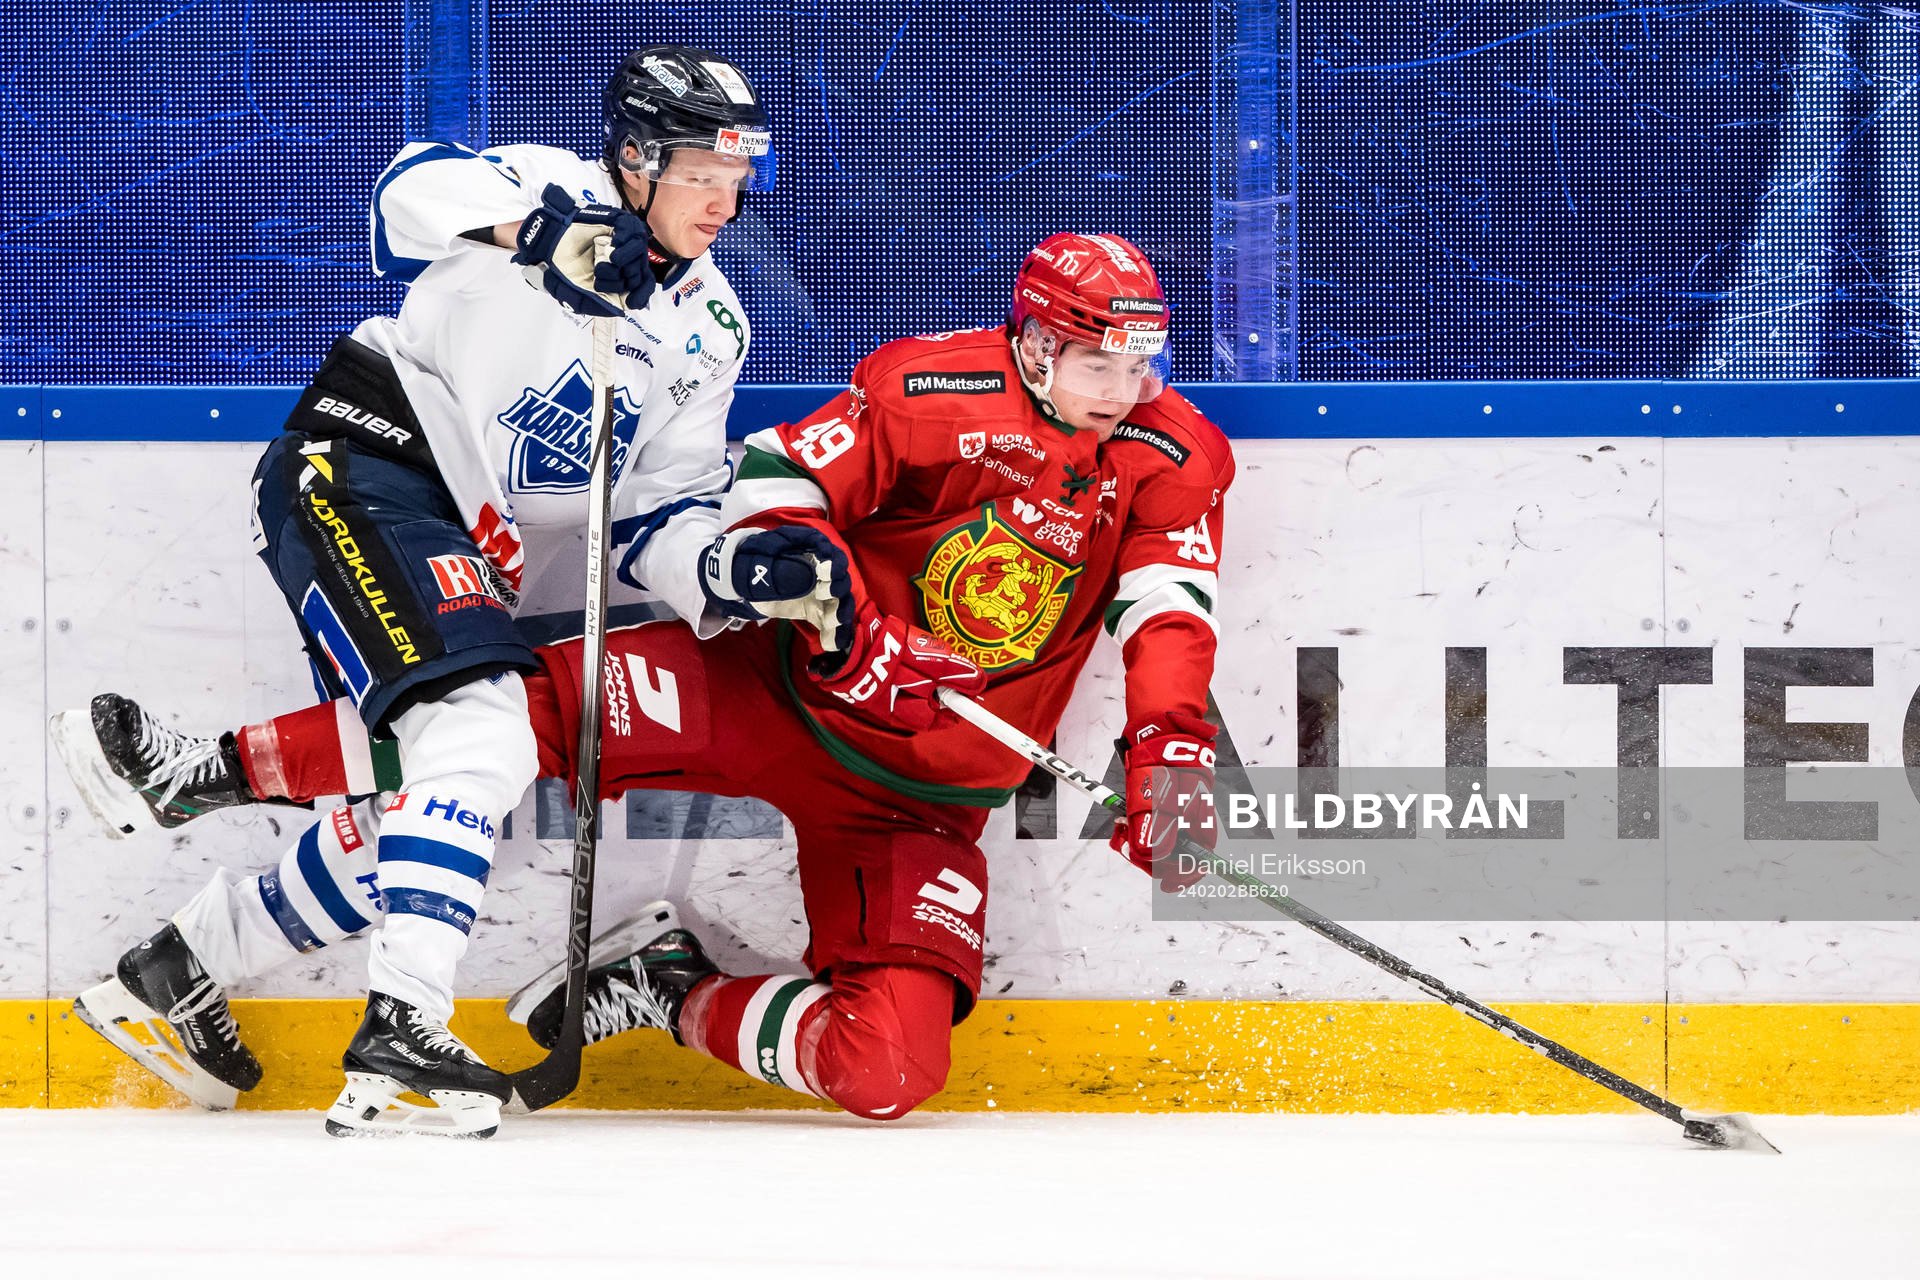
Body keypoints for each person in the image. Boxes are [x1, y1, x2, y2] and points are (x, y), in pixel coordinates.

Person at [57, 233, 1235, 1123]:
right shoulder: (932, 391)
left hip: (921, 798)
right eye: (1096, 358)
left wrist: (1171, 753)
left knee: (891, 1069)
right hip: (770, 685)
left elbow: (1169, 615)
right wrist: (835, 609)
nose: (1125, 384)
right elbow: (778, 486)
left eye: (1143, 359)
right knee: (490, 719)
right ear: (1033, 339)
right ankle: (205, 771)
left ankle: (666, 984)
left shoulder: (1174, 452)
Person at [46, 46, 840, 1138]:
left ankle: (177, 961)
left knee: (445, 793)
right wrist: (542, 236)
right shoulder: (539, 183)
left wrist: (724, 567)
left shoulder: (710, 327)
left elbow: (656, 510)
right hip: (365, 461)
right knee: (480, 729)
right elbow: (403, 193)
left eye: (738, 175)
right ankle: (400, 1033)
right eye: (701, 169)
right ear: (638, 155)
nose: (722, 198)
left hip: (479, 544)